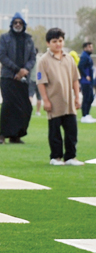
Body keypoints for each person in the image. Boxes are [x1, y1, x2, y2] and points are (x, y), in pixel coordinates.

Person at [37, 28, 84, 166]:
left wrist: (77, 96)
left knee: (71, 131)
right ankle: (55, 157)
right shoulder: (43, 60)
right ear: (48, 43)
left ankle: (70, 157)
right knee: (55, 132)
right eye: (54, 41)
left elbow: (75, 79)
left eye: (60, 41)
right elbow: (40, 82)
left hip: (68, 101)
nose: (58, 44)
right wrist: (45, 100)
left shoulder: (69, 58)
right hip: (53, 101)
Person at [0, 13, 36, 144]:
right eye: (15, 23)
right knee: (8, 105)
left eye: (20, 23)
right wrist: (17, 70)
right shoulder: (5, 38)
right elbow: (2, 56)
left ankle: (16, 135)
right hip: (8, 77)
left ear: (24, 25)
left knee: (24, 107)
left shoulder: (29, 40)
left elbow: (32, 58)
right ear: (12, 25)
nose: (18, 25)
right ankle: (2, 135)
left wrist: (25, 70)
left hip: (24, 78)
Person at [78, 41, 94, 123]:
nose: (91, 49)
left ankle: (87, 114)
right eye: (90, 47)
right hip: (85, 81)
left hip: (89, 81)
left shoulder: (87, 56)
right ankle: (84, 115)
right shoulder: (84, 56)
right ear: (85, 48)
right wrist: (85, 75)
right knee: (87, 98)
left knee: (91, 97)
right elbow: (80, 66)